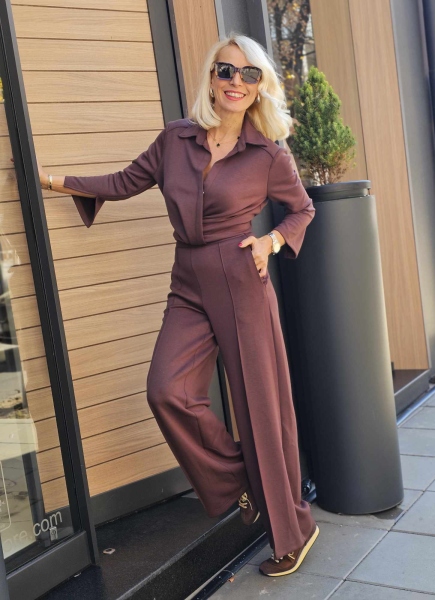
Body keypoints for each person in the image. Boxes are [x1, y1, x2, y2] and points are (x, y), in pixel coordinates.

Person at [36, 33, 319, 577]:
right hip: (187, 278)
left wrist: (271, 242)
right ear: (211, 78)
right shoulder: (176, 139)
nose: (236, 82)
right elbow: (124, 181)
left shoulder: (268, 153)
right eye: (226, 70)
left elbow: (302, 210)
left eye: (249, 74)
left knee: (261, 408)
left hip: (241, 276)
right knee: (167, 390)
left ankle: (294, 531)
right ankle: (240, 483)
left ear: (259, 87)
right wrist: (54, 180)